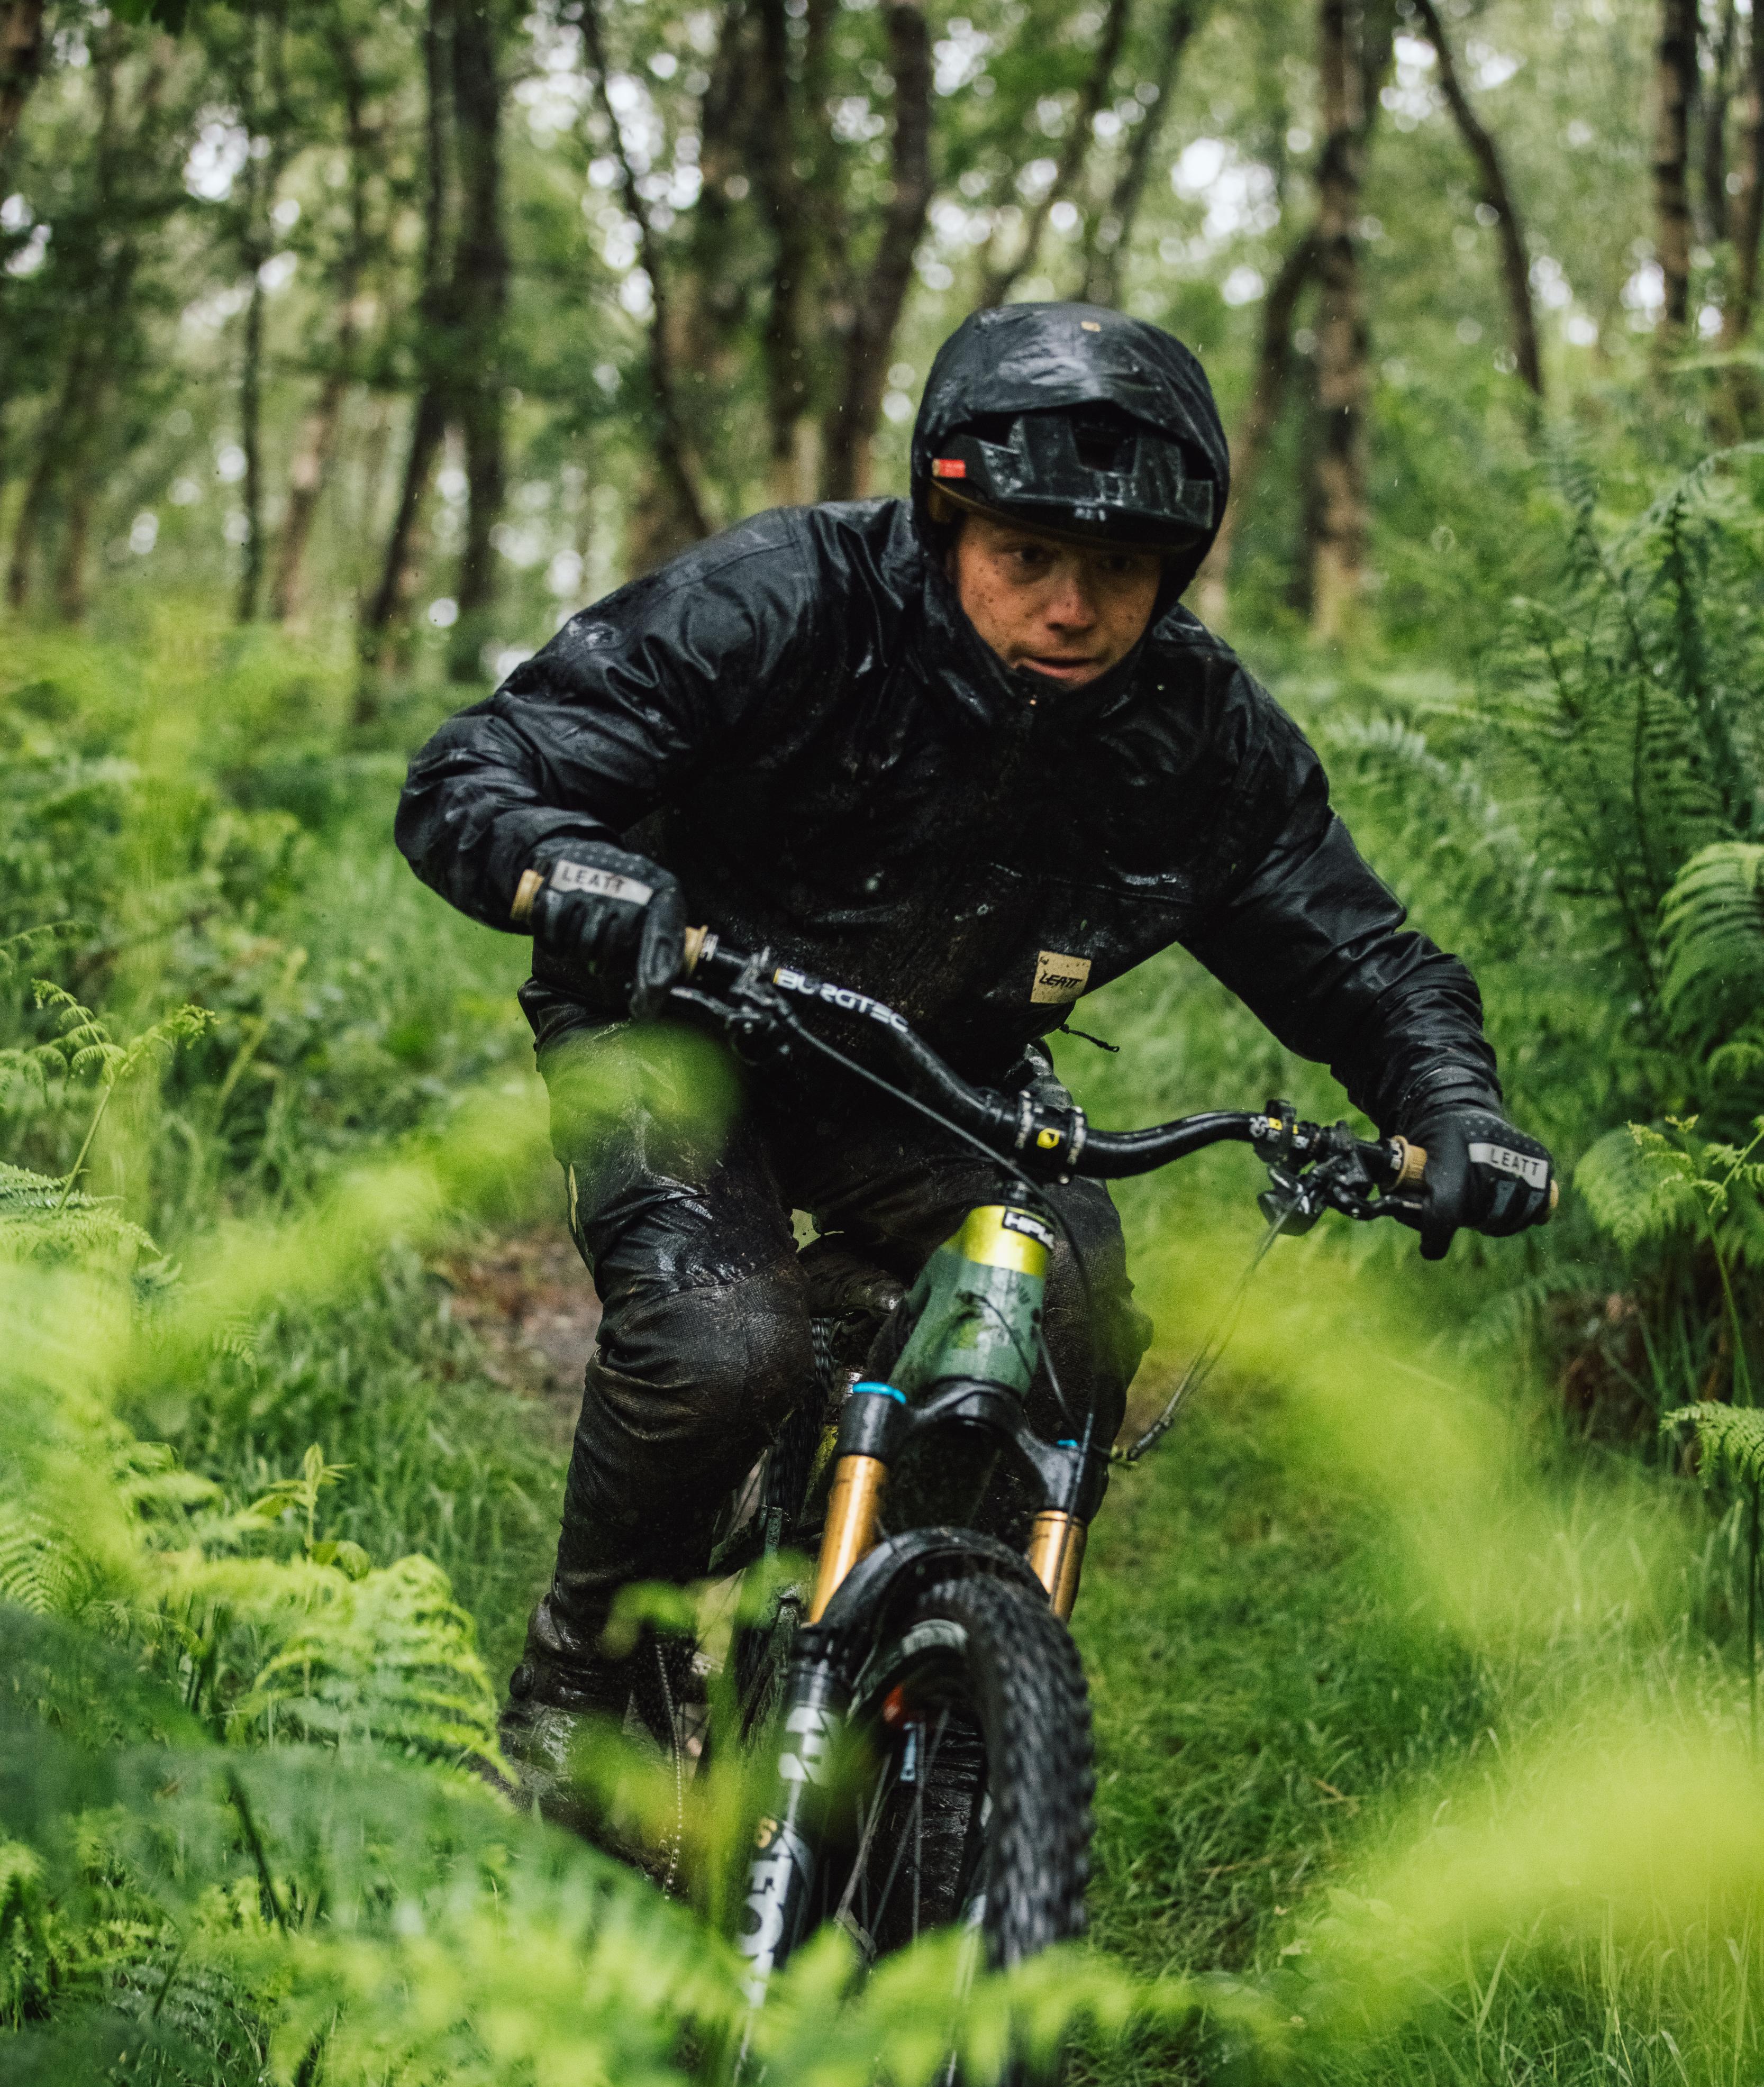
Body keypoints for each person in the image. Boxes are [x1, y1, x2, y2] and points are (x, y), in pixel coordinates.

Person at [397, 300, 1553, 1785]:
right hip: (676, 1023)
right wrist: (575, 864)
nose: (1071, 607)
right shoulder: (788, 600)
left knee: (1064, 1320)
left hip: (938, 1072)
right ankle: (582, 1677)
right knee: (715, 1339)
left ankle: (919, 1698)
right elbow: (478, 770)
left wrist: (1453, 1101)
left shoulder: (1198, 738)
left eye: (1119, 570)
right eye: (1028, 558)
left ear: (1171, 571)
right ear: (952, 527)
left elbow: (1364, 962)